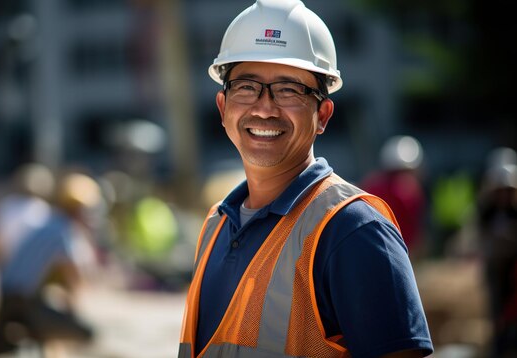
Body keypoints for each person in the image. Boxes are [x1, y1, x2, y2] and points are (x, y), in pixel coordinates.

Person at [178, 1, 433, 357]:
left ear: (323, 115)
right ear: (223, 107)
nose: (264, 107)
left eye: (288, 89)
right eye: (247, 87)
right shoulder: (215, 225)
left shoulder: (352, 230)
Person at [0, 171, 101, 356]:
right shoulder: (64, 231)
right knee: (88, 332)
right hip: (22, 303)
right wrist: (73, 308)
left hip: (8, 296)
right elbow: (75, 277)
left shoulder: (47, 222)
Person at [475, 151, 517, 357]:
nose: (503, 195)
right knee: (498, 315)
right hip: (495, 270)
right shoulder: (487, 211)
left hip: (514, 270)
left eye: (507, 190)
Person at [360, 135, 427, 260]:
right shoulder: (409, 188)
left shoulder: (371, 185)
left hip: (371, 249)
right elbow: (414, 226)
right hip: (401, 250)